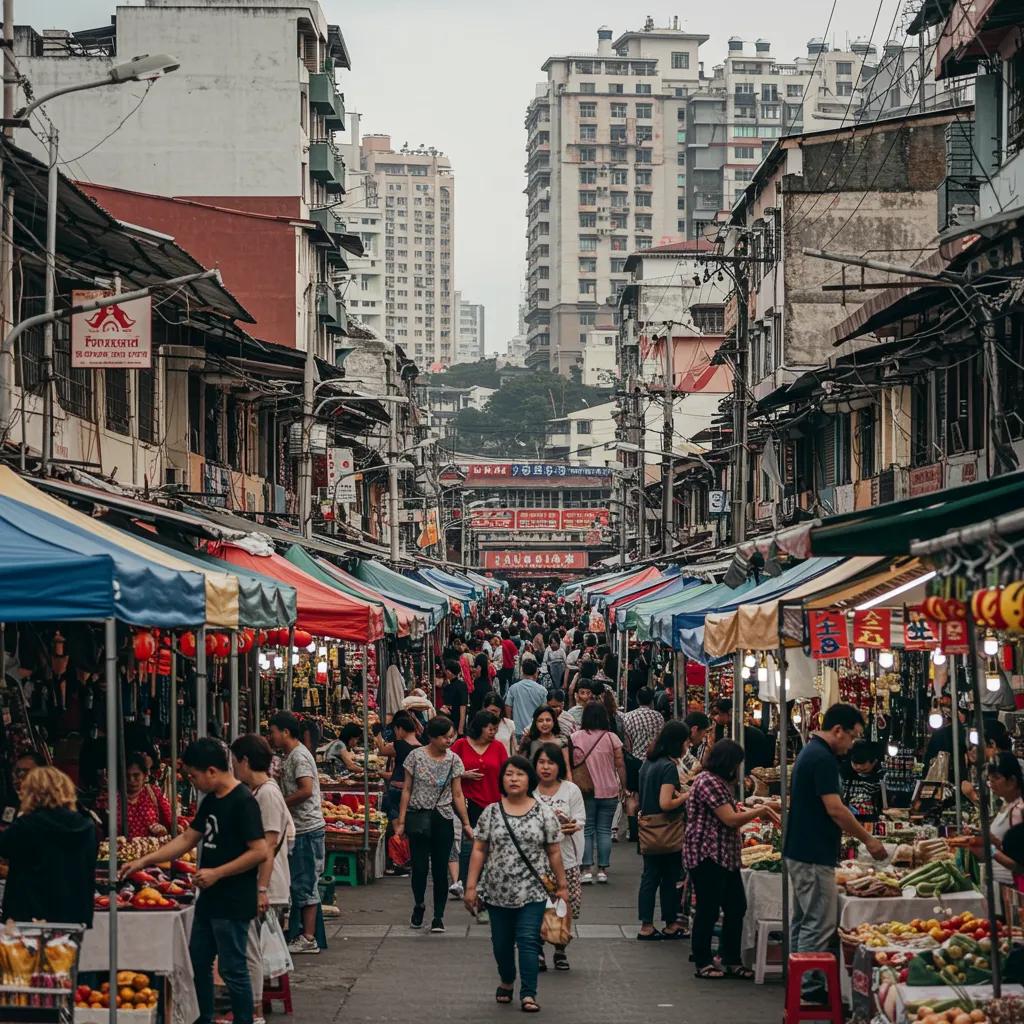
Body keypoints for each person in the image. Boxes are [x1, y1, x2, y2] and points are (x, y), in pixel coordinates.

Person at [121, 738, 267, 1024]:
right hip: (209, 900)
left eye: (193, 776)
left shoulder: (243, 801)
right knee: (198, 961)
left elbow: (259, 851)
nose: (193, 782)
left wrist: (217, 872)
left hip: (233, 900)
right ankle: (204, 1018)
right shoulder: (211, 801)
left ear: (211, 771)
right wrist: (144, 861)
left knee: (233, 969)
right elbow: (188, 838)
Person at [784, 703, 887, 1003]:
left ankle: (798, 979)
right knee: (818, 921)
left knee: (804, 920)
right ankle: (809, 986)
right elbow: (835, 809)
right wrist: (868, 839)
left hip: (801, 849)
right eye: (852, 736)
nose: (852, 745)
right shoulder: (822, 759)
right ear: (838, 730)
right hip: (813, 852)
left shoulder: (811, 753)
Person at [464, 756, 569, 1014]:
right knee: (501, 944)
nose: (513, 779)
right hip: (496, 891)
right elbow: (479, 849)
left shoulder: (543, 813)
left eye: (520, 774)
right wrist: (471, 886)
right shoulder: (491, 812)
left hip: (532, 891)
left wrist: (562, 886)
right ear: (502, 779)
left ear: (529, 779)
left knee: (528, 940)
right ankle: (507, 979)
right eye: (509, 774)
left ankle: (528, 993)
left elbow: (554, 851)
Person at [685, 740, 779, 979]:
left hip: (725, 854)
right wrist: (760, 811)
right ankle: (703, 961)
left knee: (736, 906)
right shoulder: (708, 782)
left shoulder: (718, 782)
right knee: (708, 908)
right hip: (707, 853)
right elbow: (729, 818)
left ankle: (731, 958)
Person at [231, 733, 293, 1024]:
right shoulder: (262, 791)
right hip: (264, 882)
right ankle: (253, 1007)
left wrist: (261, 889)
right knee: (252, 949)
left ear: (244, 761)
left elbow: (268, 846)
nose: (233, 768)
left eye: (234, 762)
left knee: (251, 951)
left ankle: (254, 1012)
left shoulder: (267, 793)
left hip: (266, 883)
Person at [395, 716, 473, 932]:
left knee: (440, 869)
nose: (449, 740)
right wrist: (401, 821)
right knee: (419, 868)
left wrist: (466, 822)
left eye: (451, 736)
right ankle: (419, 904)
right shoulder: (415, 756)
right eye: (445, 737)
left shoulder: (454, 760)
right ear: (432, 737)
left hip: (443, 818)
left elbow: (457, 794)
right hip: (418, 816)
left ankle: (439, 916)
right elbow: (407, 789)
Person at [0, 765, 96, 927]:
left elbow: (4, 847)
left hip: (28, 914)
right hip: (73, 913)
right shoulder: (86, 826)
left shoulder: (25, 825)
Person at [268, 711, 326, 955]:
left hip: (307, 828)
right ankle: (303, 933)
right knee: (301, 883)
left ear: (285, 732)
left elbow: (306, 789)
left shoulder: (299, 756)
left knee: (306, 884)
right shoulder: (290, 756)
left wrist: (280, 802)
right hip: (301, 828)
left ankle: (308, 938)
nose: (271, 737)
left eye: (273, 732)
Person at [532, 743, 585, 973]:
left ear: (559, 766)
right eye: (541, 762)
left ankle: (560, 948)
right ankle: (537, 949)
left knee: (564, 906)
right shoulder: (529, 791)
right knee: (537, 907)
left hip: (566, 860)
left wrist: (573, 825)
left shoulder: (571, 790)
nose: (545, 767)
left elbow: (580, 818)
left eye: (551, 763)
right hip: (536, 863)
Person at [636, 721, 690, 941]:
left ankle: (646, 924)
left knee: (650, 877)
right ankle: (670, 924)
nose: (687, 746)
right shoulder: (668, 767)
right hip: (666, 829)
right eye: (686, 742)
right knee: (669, 877)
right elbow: (666, 803)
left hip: (648, 827)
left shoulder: (648, 763)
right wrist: (687, 795)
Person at [452, 711, 509, 891]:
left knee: (493, 842)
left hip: (494, 802)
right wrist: (462, 774)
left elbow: (507, 773)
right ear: (480, 727)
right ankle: (464, 881)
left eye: (495, 729)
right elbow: (446, 766)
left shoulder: (498, 747)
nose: (493, 732)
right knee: (468, 841)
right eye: (490, 729)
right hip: (467, 801)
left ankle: (488, 881)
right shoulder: (461, 745)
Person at [571, 702, 626, 884]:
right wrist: (624, 786)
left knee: (587, 830)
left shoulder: (575, 737)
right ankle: (602, 870)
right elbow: (620, 765)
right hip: (609, 790)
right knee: (604, 830)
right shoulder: (612, 738)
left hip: (585, 790)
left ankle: (586, 869)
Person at [982, 752, 1024, 888]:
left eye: (996, 778)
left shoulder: (1018, 811)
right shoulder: (1006, 806)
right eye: (990, 779)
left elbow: (1018, 864)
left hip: (1010, 886)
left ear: (1012, 781)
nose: (991, 784)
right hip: (997, 884)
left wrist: (989, 848)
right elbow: (1006, 847)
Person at [374, 710, 421, 821]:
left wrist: (378, 734)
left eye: (396, 730)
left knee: (395, 818)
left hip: (397, 789)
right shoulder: (421, 746)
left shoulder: (398, 745)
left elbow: (381, 751)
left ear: (400, 729)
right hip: (414, 789)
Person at [519, 704, 572, 778]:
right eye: (540, 721)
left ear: (554, 721)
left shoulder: (561, 743)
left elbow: (567, 769)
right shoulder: (530, 742)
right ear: (535, 723)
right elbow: (521, 767)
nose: (544, 723)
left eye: (548, 720)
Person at [843, 740, 887, 823]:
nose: (858, 767)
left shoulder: (881, 777)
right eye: (855, 763)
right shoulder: (844, 774)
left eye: (863, 767)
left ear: (874, 762)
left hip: (872, 821)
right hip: (848, 820)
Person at [505, 658, 548, 741]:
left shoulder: (514, 688)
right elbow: (544, 710)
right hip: (535, 730)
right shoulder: (542, 690)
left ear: (522, 671)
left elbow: (508, 706)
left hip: (517, 730)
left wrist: (510, 724)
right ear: (535, 673)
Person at [2, 750, 47, 827]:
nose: (18, 778)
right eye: (16, 772)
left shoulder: (52, 808)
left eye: (26, 772)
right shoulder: (10, 803)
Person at [482, 691, 518, 757]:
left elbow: (514, 749)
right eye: (492, 711)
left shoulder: (509, 724)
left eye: (497, 712)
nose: (494, 714)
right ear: (484, 709)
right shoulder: (479, 724)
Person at [441, 660, 469, 737]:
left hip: (453, 720)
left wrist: (460, 728)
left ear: (449, 672)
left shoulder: (449, 687)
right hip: (455, 719)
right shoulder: (461, 685)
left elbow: (463, 706)